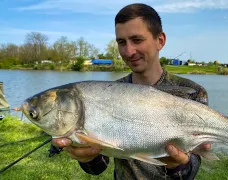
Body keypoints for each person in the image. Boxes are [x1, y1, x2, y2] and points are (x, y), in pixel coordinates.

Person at [52, 3, 211, 180]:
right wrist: (87, 156)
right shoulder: (109, 94)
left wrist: (177, 165)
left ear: (160, 40)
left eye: (137, 40)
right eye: (121, 42)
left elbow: (192, 169)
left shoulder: (193, 93)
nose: (129, 51)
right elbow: (98, 168)